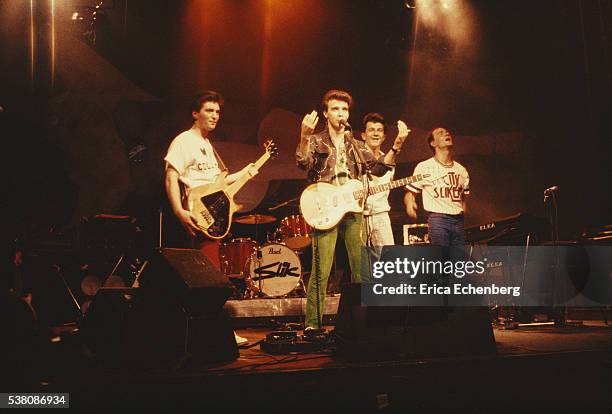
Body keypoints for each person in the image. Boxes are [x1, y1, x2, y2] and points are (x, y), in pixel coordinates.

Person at [296, 90, 407, 331]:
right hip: (324, 207)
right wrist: (304, 136)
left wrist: (397, 145)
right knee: (322, 269)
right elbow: (303, 163)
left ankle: (361, 321)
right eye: (335, 109)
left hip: (352, 210)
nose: (340, 113)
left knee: (361, 268)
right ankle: (313, 325)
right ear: (326, 113)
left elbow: (378, 170)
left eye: (344, 110)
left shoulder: (356, 144)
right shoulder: (316, 140)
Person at [164, 90, 255, 345]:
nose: (215, 116)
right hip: (197, 213)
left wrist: (244, 173)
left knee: (211, 274)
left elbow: (219, 183)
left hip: (213, 214)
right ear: (195, 113)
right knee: (208, 275)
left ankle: (211, 331)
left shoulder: (208, 145)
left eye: (217, 112)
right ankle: (214, 333)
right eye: (209, 111)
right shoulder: (184, 141)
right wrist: (178, 210)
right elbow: (171, 176)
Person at [404, 127, 470, 247]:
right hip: (438, 219)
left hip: (458, 220)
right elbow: (410, 192)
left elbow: (464, 197)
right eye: (441, 133)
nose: (447, 133)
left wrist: (462, 213)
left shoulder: (461, 170)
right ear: (433, 143)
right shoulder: (424, 167)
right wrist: (410, 204)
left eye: (447, 132)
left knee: (458, 260)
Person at [360, 113, 411, 246]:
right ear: (363, 135)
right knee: (361, 263)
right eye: (371, 130)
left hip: (381, 216)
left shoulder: (390, 161)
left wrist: (399, 142)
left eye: (379, 130)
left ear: (384, 137)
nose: (375, 134)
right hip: (357, 217)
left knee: (388, 261)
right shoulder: (355, 157)